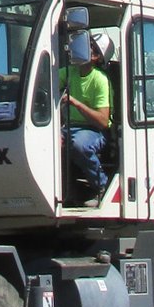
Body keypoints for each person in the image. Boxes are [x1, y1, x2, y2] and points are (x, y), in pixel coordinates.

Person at [59, 28, 112, 199]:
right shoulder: (70, 71)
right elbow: (44, 79)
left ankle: (101, 185)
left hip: (93, 130)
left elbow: (103, 121)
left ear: (96, 56)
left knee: (80, 145)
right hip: (69, 127)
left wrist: (75, 102)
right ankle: (67, 192)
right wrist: (11, 79)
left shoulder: (100, 80)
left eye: (89, 46)